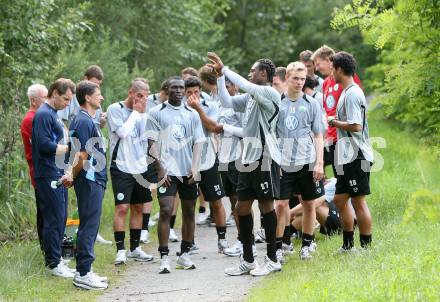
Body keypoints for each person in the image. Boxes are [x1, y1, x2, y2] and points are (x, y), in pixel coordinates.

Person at [208, 52, 282, 276]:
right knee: (241, 207)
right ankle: (249, 260)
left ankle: (272, 258)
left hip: (265, 157)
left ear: (264, 73)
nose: (250, 73)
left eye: (253, 70)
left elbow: (245, 85)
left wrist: (225, 68)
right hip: (247, 159)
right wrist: (221, 77)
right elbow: (226, 101)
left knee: (266, 206)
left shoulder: (268, 93)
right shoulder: (251, 98)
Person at [146, 76, 205, 274]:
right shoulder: (156, 112)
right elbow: (150, 142)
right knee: (165, 209)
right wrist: (160, 167)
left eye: (182, 88)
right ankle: (164, 256)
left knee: (189, 211)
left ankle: (184, 254)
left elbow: (198, 142)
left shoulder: (192, 113)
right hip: (167, 172)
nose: (179, 91)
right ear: (167, 90)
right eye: (174, 88)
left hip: (187, 171)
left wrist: (195, 167)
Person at [276, 62, 325, 261]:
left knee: (308, 204)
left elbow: (318, 135)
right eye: (295, 78)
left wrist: (319, 162)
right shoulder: (277, 103)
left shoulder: (312, 103)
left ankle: (306, 244)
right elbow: (270, 134)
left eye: (302, 79)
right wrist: (274, 161)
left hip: (307, 161)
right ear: (287, 77)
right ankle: (279, 246)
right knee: (280, 205)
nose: (299, 82)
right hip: (284, 162)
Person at [327, 51, 373, 251]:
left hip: (356, 154)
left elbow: (356, 126)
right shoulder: (345, 91)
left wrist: (332, 121)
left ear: (339, 69)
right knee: (339, 199)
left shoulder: (353, 93)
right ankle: (347, 245)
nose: (330, 73)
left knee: (358, 201)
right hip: (345, 155)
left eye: (332, 69)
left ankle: (366, 248)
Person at [107, 78, 154, 265]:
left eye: (146, 96)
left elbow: (146, 136)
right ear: (131, 93)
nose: (143, 99)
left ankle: (135, 248)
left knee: (138, 207)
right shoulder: (115, 109)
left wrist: (142, 114)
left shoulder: (144, 111)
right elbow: (123, 133)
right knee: (122, 207)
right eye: (139, 95)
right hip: (121, 166)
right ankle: (120, 250)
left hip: (140, 166)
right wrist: (135, 113)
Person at [31, 78, 76, 278]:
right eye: (66, 99)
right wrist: (70, 149)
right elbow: (43, 144)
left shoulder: (55, 114)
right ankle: (53, 263)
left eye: (70, 100)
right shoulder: (43, 114)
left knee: (61, 217)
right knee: (53, 218)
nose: (67, 103)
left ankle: (58, 259)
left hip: (58, 171)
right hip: (47, 173)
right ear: (55, 93)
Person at [69, 80, 108, 290]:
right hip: (89, 179)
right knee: (88, 225)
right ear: (87, 97)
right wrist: (71, 175)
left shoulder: (87, 120)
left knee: (90, 225)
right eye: (98, 93)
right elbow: (81, 154)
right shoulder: (83, 121)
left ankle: (86, 270)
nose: (101, 97)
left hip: (94, 180)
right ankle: (83, 273)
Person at [185, 75, 229, 253]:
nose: (193, 95)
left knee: (216, 202)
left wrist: (197, 109)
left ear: (200, 91)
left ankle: (222, 239)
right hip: (186, 163)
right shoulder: (178, 107)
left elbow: (213, 127)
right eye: (189, 93)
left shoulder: (210, 104)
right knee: (189, 204)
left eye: (196, 92)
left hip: (208, 160)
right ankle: (190, 242)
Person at [312, 45, 362, 177]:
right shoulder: (326, 83)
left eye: (318, 64)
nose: (316, 68)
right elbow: (327, 111)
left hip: (346, 139)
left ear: (329, 60)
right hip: (331, 138)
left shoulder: (347, 79)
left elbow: (357, 110)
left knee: (348, 182)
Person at [141, 79, 170, 244]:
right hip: (148, 149)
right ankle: (144, 228)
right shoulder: (149, 102)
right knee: (149, 188)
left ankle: (169, 227)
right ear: (164, 92)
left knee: (168, 189)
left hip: (165, 150)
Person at [20, 83, 48, 251]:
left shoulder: (39, 116)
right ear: (33, 100)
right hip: (40, 171)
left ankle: (52, 249)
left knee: (48, 211)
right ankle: (47, 251)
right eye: (44, 97)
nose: (47, 101)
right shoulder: (31, 119)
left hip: (44, 170)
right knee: (45, 212)